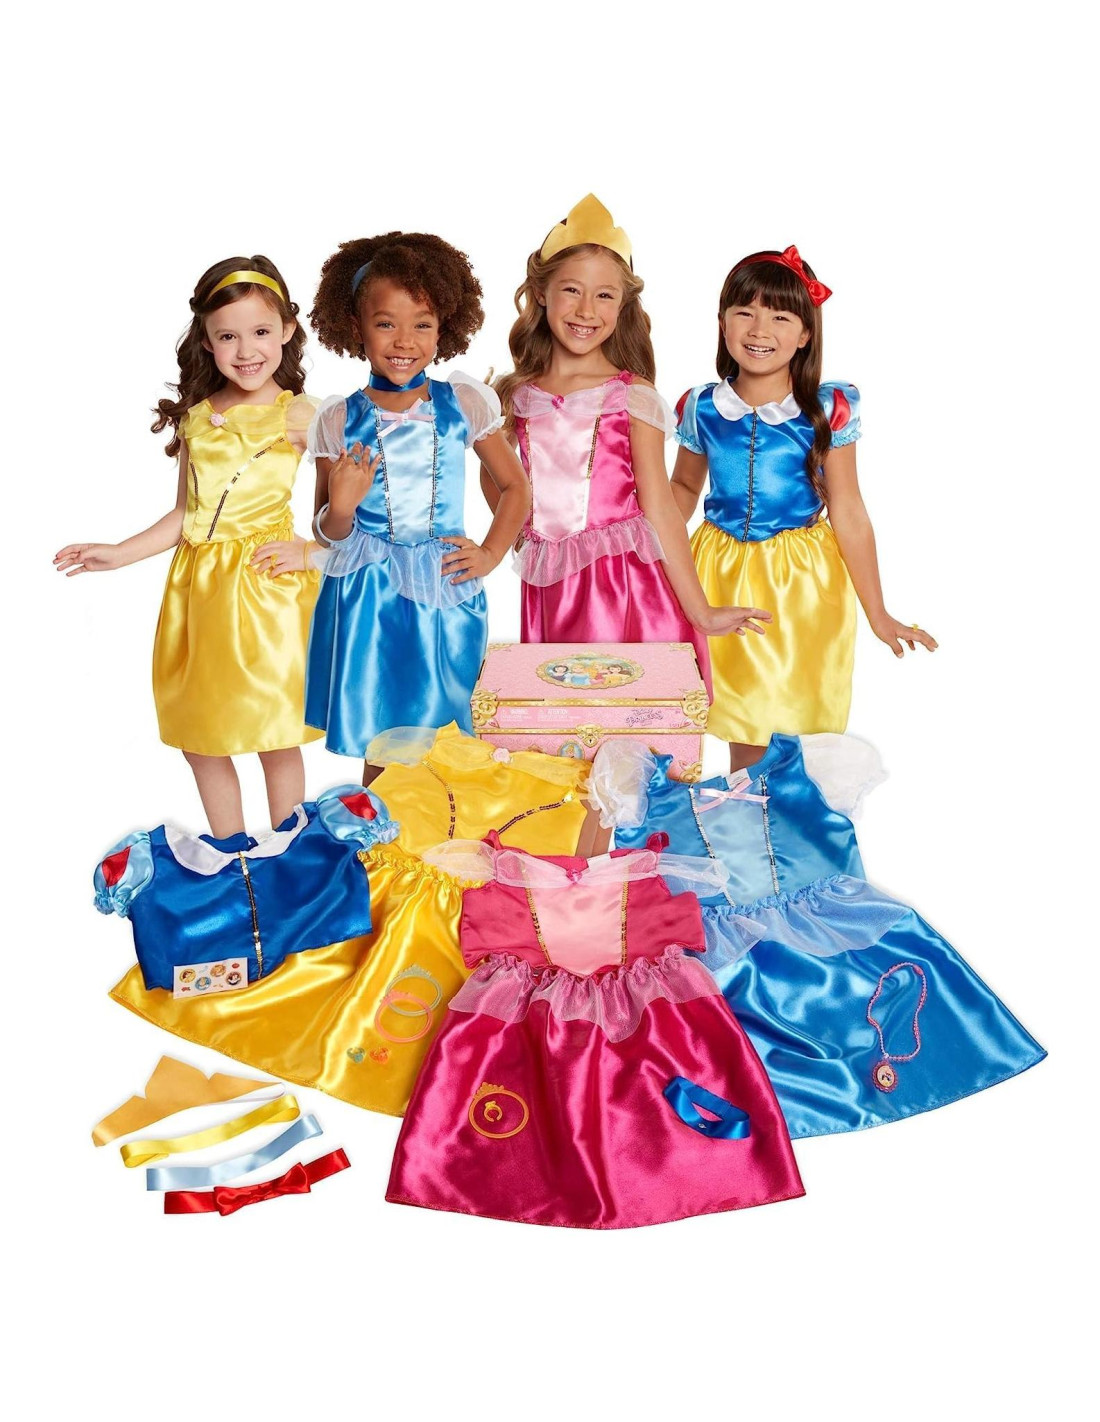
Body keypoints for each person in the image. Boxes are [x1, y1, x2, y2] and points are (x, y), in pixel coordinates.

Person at [54, 257, 321, 834]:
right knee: (201, 736)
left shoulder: (302, 415)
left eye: (260, 331)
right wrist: (118, 553)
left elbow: (349, 503)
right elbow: (186, 514)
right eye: (228, 336)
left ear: (286, 331)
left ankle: (292, 854)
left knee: (274, 733)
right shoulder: (198, 417)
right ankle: (232, 851)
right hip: (198, 591)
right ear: (206, 339)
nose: (246, 350)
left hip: (263, 590)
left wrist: (313, 551)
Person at [672, 246, 936, 770]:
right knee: (740, 713)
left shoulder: (825, 408)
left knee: (792, 720)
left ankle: (787, 811)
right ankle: (749, 809)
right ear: (722, 322)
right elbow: (681, 488)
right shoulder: (701, 407)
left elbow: (849, 510)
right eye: (745, 312)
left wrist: (878, 612)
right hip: (716, 572)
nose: (759, 329)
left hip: (799, 581)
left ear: (805, 334)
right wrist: (636, 539)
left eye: (780, 316)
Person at [305, 231, 529, 782]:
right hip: (368, 593)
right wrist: (343, 505)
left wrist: (490, 554)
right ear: (355, 326)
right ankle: (383, 827)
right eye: (386, 323)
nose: (404, 340)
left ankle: (448, 826)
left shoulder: (463, 404)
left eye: (422, 324)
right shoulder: (339, 418)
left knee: (449, 725)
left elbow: (516, 488)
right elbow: (327, 532)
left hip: (443, 583)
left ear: (443, 328)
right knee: (381, 731)